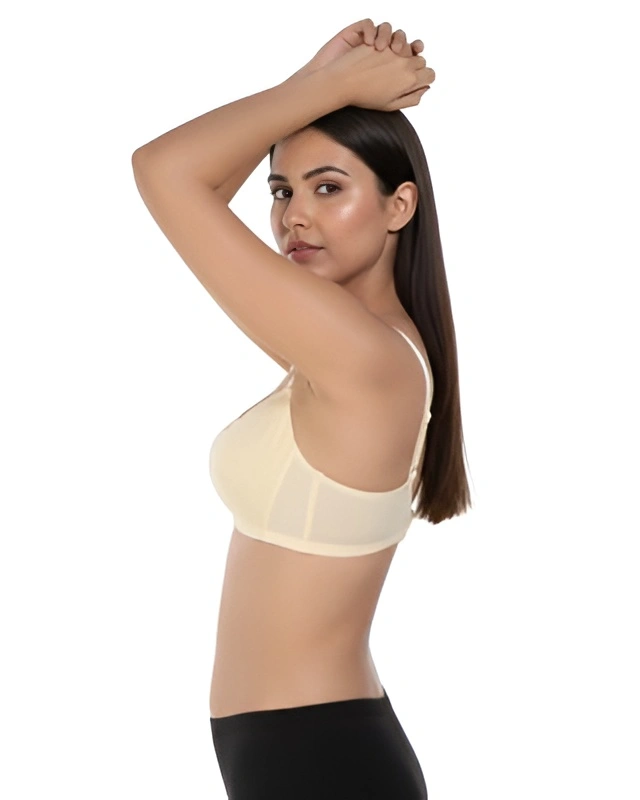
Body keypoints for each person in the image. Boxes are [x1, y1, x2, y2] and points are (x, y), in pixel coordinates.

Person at [132, 18, 471, 800]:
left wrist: (327, 86)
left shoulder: (366, 359)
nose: (293, 216)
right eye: (282, 191)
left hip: (320, 759)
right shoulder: (351, 345)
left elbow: (166, 172)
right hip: (303, 749)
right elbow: (199, 191)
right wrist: (315, 82)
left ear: (399, 206)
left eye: (328, 188)